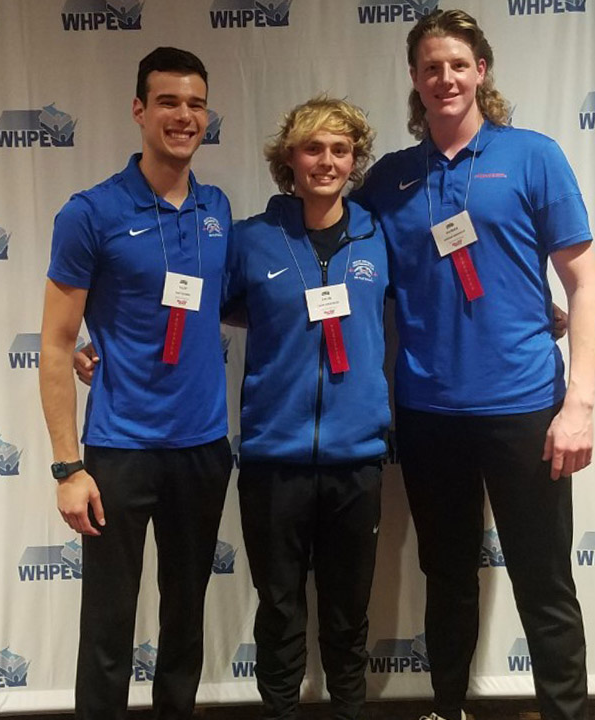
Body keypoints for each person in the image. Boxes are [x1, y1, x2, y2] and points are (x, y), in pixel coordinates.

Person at [355, 9, 595, 720]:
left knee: (544, 581)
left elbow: (584, 284)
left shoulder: (533, 156)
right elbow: (345, 275)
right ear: (414, 79)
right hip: (430, 414)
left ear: (481, 73)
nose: (445, 78)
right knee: (447, 578)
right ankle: (446, 708)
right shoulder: (391, 182)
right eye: (431, 67)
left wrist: (578, 403)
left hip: (526, 408)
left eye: (458, 65)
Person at [38, 46, 234, 720]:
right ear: (139, 111)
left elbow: (217, 303)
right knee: (108, 626)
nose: (184, 116)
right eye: (169, 102)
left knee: (185, 620)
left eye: (195, 103)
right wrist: (68, 464)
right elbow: (58, 343)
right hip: (120, 450)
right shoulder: (89, 213)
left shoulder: (218, 209)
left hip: (205, 448)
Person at [225, 96, 390, 720]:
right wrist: (99, 340)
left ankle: (349, 710)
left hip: (357, 459)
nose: (326, 161)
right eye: (313, 148)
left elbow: (442, 294)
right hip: (274, 458)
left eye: (340, 149)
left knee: (349, 612)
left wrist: (541, 307)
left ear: (355, 159)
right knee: (280, 608)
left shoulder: (381, 234)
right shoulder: (251, 240)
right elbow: (187, 300)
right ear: (288, 159)